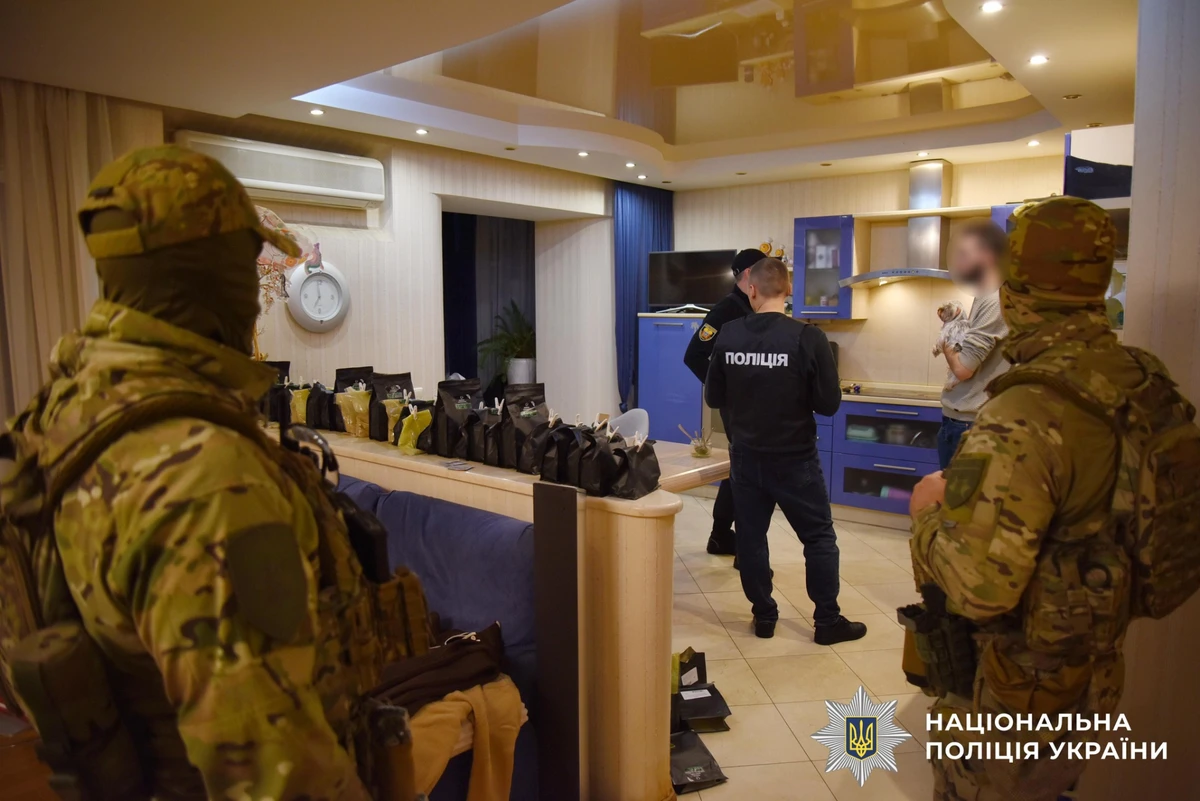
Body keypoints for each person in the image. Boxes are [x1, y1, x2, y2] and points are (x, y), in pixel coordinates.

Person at [0, 147, 377, 800]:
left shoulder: (67, 413)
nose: (254, 299)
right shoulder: (204, 476)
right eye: (243, 267)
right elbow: (276, 774)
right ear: (209, 275)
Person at [908, 196, 1200, 800]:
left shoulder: (1025, 411)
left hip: (1017, 689)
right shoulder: (1142, 381)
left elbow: (979, 587)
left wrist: (927, 515)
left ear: (1016, 291)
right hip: (1097, 672)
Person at [705, 257, 866, 644]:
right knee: (818, 538)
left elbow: (714, 397)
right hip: (795, 458)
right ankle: (827, 622)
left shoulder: (729, 335)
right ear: (789, 290)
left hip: (746, 457)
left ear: (752, 290)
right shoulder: (807, 337)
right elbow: (828, 404)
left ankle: (764, 617)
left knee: (751, 539)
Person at [684, 247, 767, 558]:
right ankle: (744, 550)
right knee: (747, 474)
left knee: (741, 471)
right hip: (739, 408)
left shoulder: (757, 307)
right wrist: (724, 391)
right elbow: (693, 355)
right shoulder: (726, 310)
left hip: (755, 406)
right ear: (748, 275)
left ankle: (721, 536)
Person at [936, 218, 1009, 468]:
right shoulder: (986, 295)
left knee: (958, 492)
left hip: (970, 423)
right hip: (963, 419)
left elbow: (963, 369)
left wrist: (946, 338)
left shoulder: (993, 297)